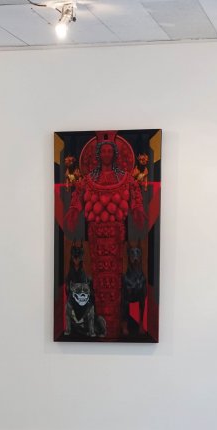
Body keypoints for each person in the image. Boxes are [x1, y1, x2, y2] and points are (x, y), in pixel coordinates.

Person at [65, 135, 146, 340]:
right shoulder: (89, 179)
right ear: (98, 154)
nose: (107, 154)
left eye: (110, 151)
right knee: (100, 281)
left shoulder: (124, 178)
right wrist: (73, 211)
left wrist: (138, 209)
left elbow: (135, 194)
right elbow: (77, 196)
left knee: (115, 281)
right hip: (96, 236)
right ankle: (100, 325)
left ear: (115, 154)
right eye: (103, 151)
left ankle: (116, 326)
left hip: (116, 235)